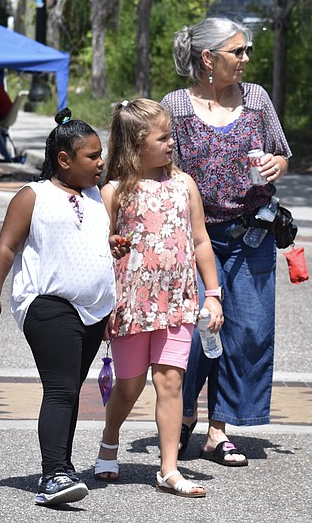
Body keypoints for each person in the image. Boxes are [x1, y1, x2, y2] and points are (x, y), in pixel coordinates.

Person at [161, 17, 292, 468]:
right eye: (237, 51)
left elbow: (281, 152)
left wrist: (276, 165)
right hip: (194, 238)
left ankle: (219, 430)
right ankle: (184, 412)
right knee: (195, 333)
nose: (245, 60)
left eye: (245, 51)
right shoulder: (175, 107)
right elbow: (160, 167)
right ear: (208, 58)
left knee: (248, 332)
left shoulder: (256, 99)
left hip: (251, 234)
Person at [0, 108, 118, 506]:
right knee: (59, 388)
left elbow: (92, 243)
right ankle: (53, 475)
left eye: (100, 155)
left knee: (70, 389)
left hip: (93, 309)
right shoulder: (32, 196)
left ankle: (62, 467)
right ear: (64, 159)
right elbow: (6, 247)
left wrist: (114, 248)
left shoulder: (95, 196)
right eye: (92, 156)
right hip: (46, 302)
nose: (100, 162)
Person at [92, 98, 223, 498]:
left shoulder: (184, 185)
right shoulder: (113, 192)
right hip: (131, 305)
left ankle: (169, 469)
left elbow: (200, 240)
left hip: (177, 303)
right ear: (135, 144)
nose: (171, 143)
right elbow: (98, 248)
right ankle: (110, 438)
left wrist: (213, 294)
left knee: (171, 383)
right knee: (129, 386)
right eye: (162, 137)